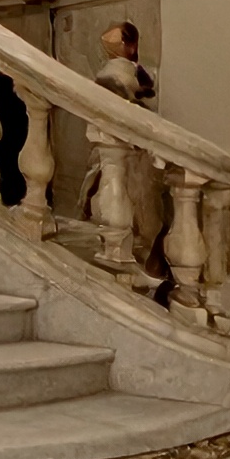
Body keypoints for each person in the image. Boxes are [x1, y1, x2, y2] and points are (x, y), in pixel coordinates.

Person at [79, 21, 168, 280]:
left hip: (130, 151)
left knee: (138, 206)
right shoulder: (115, 73)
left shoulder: (124, 73)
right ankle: (123, 249)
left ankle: (136, 255)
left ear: (130, 46)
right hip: (119, 149)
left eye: (115, 44)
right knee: (116, 198)